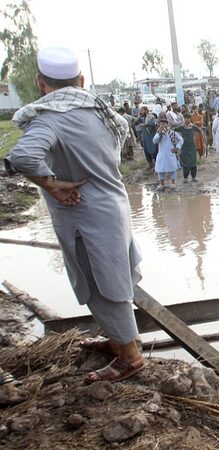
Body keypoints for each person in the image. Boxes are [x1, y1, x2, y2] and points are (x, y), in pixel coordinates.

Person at [4, 46, 145, 383]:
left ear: (40, 82)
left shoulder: (51, 118)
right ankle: (118, 340)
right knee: (114, 278)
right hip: (114, 204)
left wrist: (52, 184)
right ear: (81, 80)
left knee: (102, 285)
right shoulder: (102, 110)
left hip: (85, 215)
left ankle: (129, 357)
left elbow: (22, 157)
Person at [153, 114, 183, 191]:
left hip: (171, 154)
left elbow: (181, 140)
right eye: (161, 124)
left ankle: (173, 183)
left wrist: (177, 148)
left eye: (164, 124)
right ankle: (162, 184)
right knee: (160, 170)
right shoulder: (158, 133)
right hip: (162, 154)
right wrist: (159, 133)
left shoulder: (172, 133)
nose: (163, 125)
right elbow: (154, 141)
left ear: (167, 124)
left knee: (172, 169)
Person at [176, 113, 200, 182]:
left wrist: (197, 139)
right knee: (185, 163)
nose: (187, 119)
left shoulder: (193, 127)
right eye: (185, 118)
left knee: (193, 162)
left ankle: (193, 177)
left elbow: (199, 131)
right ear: (184, 119)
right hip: (184, 147)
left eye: (188, 118)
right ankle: (185, 178)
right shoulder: (181, 127)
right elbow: (173, 131)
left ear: (190, 119)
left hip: (192, 147)